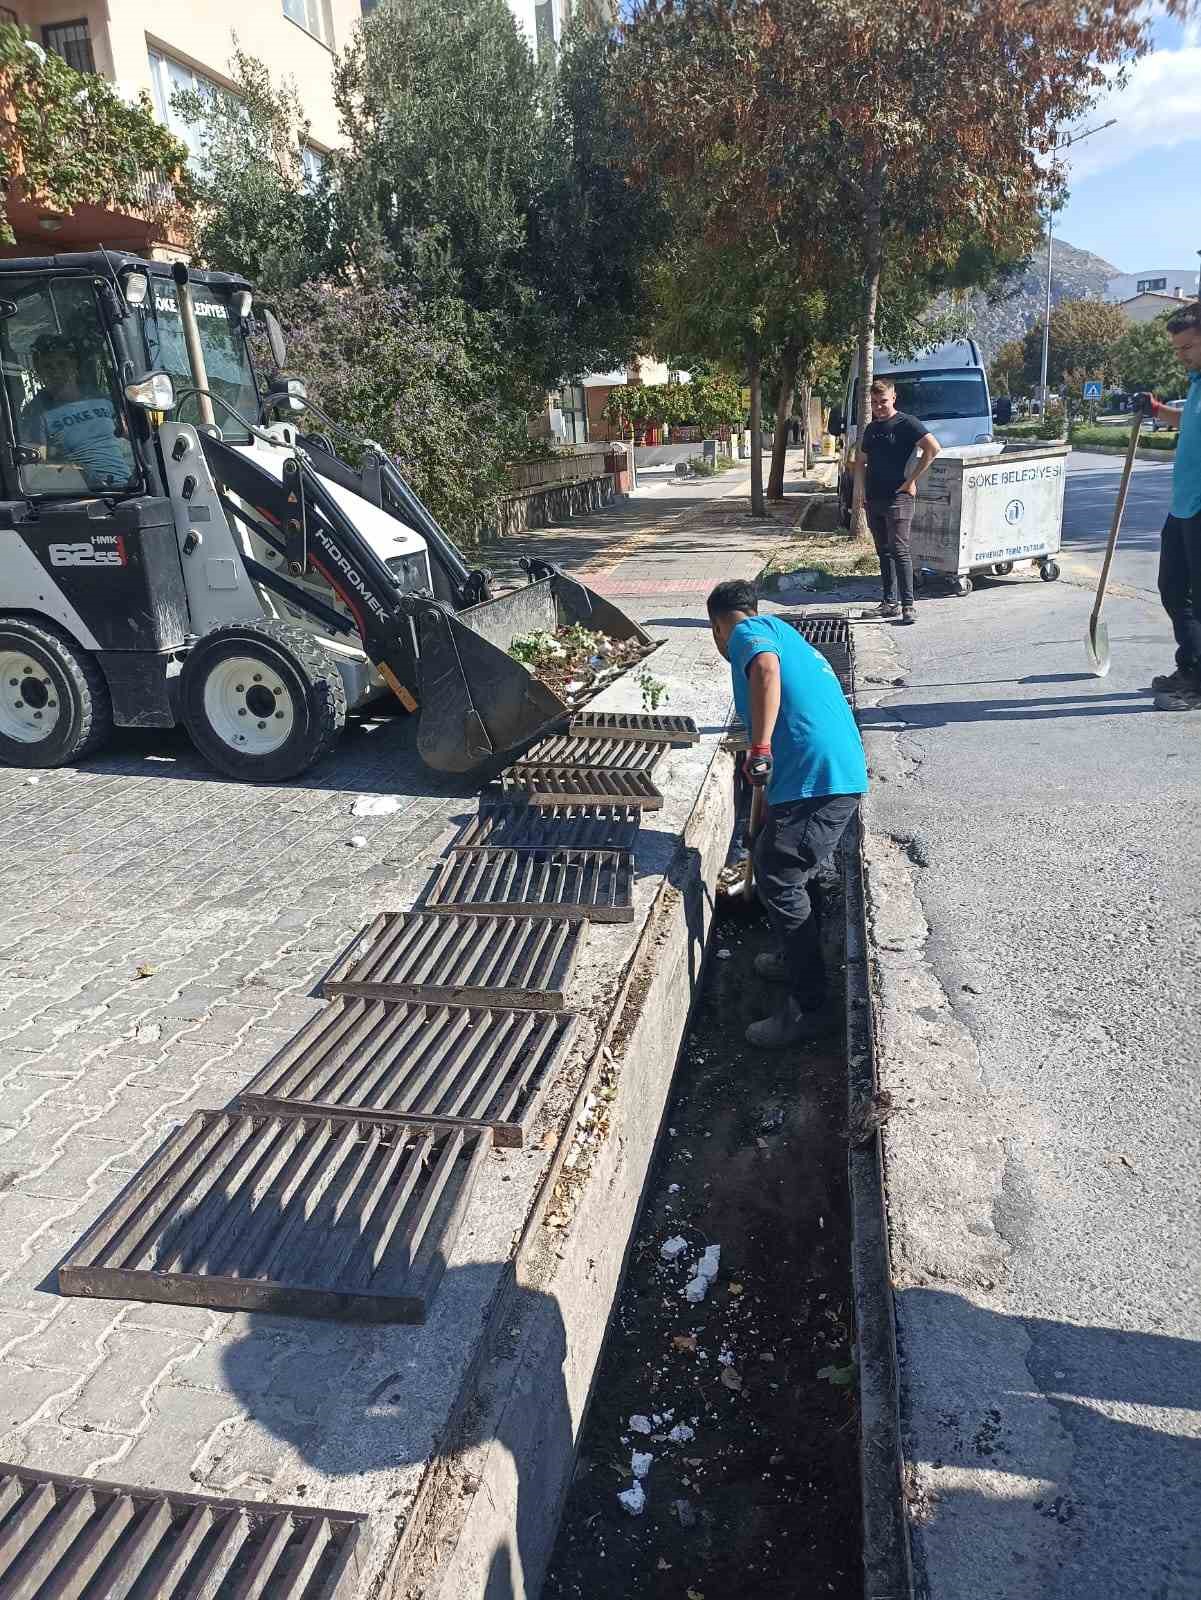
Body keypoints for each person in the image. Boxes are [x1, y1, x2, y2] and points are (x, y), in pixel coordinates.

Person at [708, 580, 868, 1049]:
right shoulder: (783, 629)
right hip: (827, 770)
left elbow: (764, 670)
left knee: (778, 872)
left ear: (716, 626)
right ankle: (795, 954)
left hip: (823, 778)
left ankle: (811, 1008)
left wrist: (759, 747)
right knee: (786, 861)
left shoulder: (746, 634)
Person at [1134, 300, 1201, 713]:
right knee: (1174, 589)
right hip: (1184, 506)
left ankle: (1196, 683)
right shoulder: (1196, 382)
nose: (1181, 356)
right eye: (1177, 349)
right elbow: (1190, 423)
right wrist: (1159, 412)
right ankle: (1190, 665)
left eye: (1188, 347)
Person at [858, 378, 941, 624]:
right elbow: (861, 461)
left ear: (893, 398)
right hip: (874, 498)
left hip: (899, 498)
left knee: (899, 549)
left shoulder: (906, 423)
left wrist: (912, 480)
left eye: (883, 401)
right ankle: (889, 603)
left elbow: (933, 449)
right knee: (883, 551)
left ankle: (908, 605)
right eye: (874, 403)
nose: (879, 407)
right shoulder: (872, 429)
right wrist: (861, 491)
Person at [19, 332, 135, 492]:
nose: (56, 372)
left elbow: (133, 438)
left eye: (62, 364)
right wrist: (69, 466)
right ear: (39, 371)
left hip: (132, 484)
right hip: (85, 494)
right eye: (48, 366)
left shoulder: (103, 399)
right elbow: (34, 463)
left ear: (74, 364)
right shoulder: (37, 413)